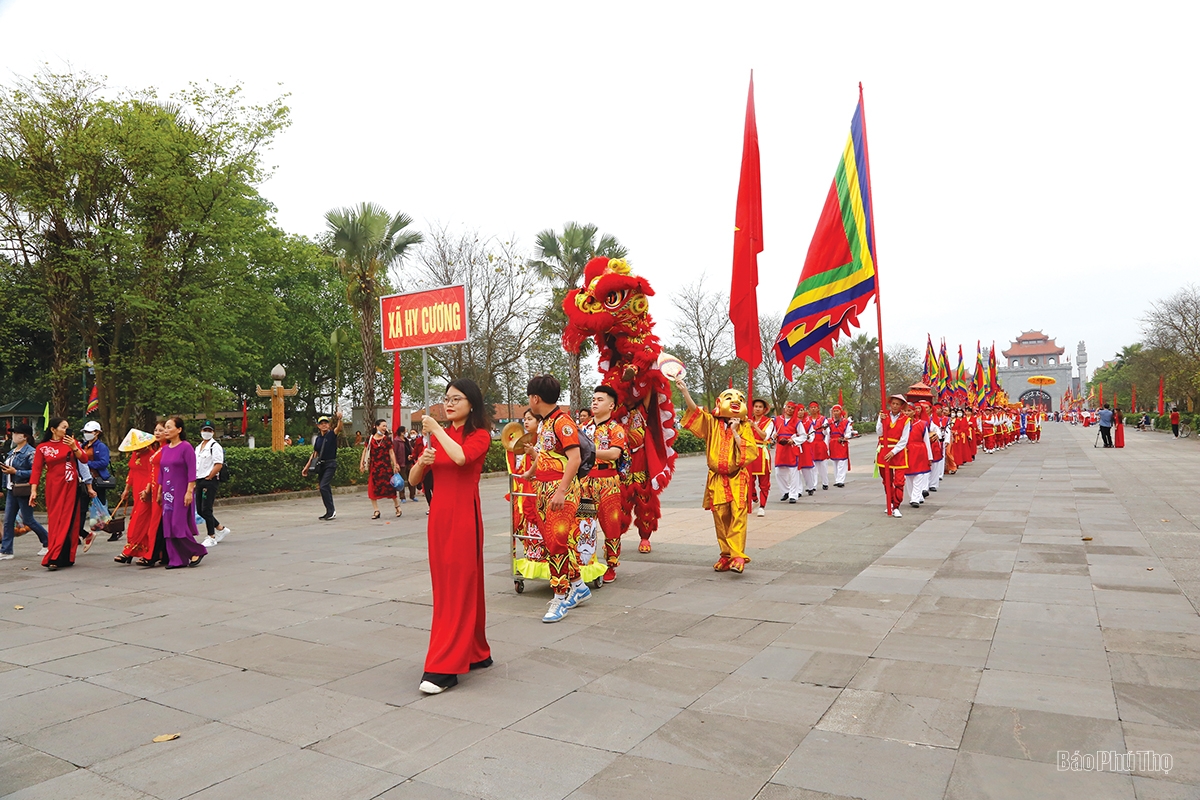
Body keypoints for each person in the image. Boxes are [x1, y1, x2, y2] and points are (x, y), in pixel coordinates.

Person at [519, 374, 587, 623]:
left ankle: (560, 597)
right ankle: (578, 586)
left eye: (529, 397)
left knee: (556, 544)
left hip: (561, 491)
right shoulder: (546, 423)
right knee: (557, 542)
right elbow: (547, 454)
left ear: (535, 398)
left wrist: (561, 490)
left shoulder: (562, 422)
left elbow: (575, 459)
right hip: (546, 488)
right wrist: (531, 471)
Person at [676, 377, 757, 573]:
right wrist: (685, 392)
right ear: (720, 403)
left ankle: (738, 555)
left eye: (739, 398)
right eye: (729, 397)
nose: (735, 400)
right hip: (716, 479)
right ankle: (726, 554)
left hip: (737, 477)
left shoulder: (745, 426)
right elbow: (696, 413)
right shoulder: (712, 423)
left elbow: (750, 451)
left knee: (738, 516)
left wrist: (736, 431)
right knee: (720, 517)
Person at [29, 418, 91, 570]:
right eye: (63, 427)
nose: (66, 430)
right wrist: (33, 490)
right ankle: (57, 553)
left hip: (70, 484)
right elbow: (36, 470)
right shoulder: (43, 448)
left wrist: (74, 447)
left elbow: (84, 458)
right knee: (55, 519)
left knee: (67, 519)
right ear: (53, 429)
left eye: (67, 428)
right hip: (53, 486)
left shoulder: (72, 443)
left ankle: (57, 556)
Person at [582, 385, 628, 584]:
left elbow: (614, 454)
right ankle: (585, 561)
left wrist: (589, 452)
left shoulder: (615, 429)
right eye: (593, 399)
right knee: (584, 523)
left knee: (611, 525)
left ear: (611, 405)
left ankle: (611, 564)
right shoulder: (583, 428)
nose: (594, 402)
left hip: (608, 481)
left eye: (600, 399)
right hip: (584, 482)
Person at [156, 417, 207, 569]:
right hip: (167, 493)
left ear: (179, 430)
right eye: (165, 427)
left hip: (181, 491)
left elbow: (192, 471)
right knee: (168, 526)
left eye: (169, 427)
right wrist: (159, 492)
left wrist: (189, 492)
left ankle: (197, 550)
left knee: (178, 524)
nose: (166, 430)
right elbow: (162, 473)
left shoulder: (186, 447)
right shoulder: (164, 449)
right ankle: (176, 559)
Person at [113, 427, 161, 564]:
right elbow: (132, 472)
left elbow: (153, 474)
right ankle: (137, 551)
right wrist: (126, 489)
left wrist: (147, 491)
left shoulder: (151, 455)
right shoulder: (135, 454)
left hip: (146, 492)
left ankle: (128, 552)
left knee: (138, 522)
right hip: (136, 491)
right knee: (138, 520)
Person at [1, 424, 49, 561]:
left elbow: (36, 471)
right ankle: (6, 550)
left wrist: (16, 472)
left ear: (25, 436)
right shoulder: (13, 451)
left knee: (28, 520)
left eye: (17, 433)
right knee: (8, 521)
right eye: (13, 433)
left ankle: (48, 542)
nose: (14, 436)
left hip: (23, 489)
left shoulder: (31, 452)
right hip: (12, 489)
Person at [195, 422, 231, 548]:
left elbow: (218, 464)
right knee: (199, 510)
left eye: (209, 430)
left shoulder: (215, 446)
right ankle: (220, 528)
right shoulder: (198, 447)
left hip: (209, 480)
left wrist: (209, 477)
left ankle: (211, 536)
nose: (206, 432)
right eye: (205, 429)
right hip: (199, 479)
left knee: (206, 509)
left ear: (213, 432)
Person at [303, 413, 343, 520]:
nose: (324, 425)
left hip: (330, 463)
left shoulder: (331, 434)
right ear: (318, 426)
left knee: (324, 486)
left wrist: (339, 419)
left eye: (326, 423)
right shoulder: (318, 439)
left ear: (329, 425)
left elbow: (338, 428)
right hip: (321, 464)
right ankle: (329, 511)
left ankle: (332, 511)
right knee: (324, 488)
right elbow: (315, 453)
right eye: (322, 423)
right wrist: (307, 467)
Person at [876, 395, 911, 518]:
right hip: (884, 451)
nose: (895, 406)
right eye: (893, 403)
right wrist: (881, 420)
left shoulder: (906, 420)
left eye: (898, 404)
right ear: (890, 404)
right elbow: (879, 432)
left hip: (898, 452)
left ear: (901, 406)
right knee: (887, 480)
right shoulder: (883, 415)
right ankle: (890, 503)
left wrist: (894, 452)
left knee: (899, 481)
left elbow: (904, 439)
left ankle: (896, 505)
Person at [360, 418, 402, 519]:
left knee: (391, 488)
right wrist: (362, 463)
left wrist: (395, 464)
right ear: (376, 426)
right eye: (383, 426)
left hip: (386, 467)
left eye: (385, 426)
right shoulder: (370, 439)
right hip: (374, 468)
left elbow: (391, 452)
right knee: (372, 489)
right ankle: (376, 510)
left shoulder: (387, 439)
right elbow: (365, 451)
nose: (385, 428)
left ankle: (397, 507)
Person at [903, 402, 933, 508]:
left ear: (914, 411)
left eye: (909, 410)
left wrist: (930, 456)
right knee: (908, 476)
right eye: (905, 410)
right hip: (906, 452)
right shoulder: (900, 424)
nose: (907, 413)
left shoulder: (922, 424)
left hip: (919, 451)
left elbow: (926, 441)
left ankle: (915, 498)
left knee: (919, 475)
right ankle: (915, 496)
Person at [747, 399, 774, 516]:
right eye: (756, 406)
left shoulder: (769, 422)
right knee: (749, 480)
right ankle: (755, 499)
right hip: (749, 453)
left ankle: (762, 506)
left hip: (762, 452)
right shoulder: (747, 420)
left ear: (764, 410)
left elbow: (764, 436)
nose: (757, 408)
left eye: (760, 407)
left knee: (764, 482)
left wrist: (755, 426)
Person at [80, 420, 113, 509]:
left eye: (89, 432)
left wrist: (86, 463)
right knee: (82, 508)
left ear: (97, 433)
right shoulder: (82, 446)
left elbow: (104, 463)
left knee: (100, 507)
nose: (86, 434)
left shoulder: (101, 446)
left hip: (97, 480)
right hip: (84, 481)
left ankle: (107, 522)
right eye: (85, 432)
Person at [773, 402, 802, 503]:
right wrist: (774, 436)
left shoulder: (797, 422)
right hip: (781, 448)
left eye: (792, 408)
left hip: (791, 448)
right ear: (785, 408)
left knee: (793, 472)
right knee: (778, 472)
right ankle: (785, 491)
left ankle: (793, 494)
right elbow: (772, 432)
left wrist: (794, 441)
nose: (790, 409)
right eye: (788, 407)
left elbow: (803, 435)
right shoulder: (777, 420)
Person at [827, 405, 852, 487]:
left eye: (837, 411)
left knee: (842, 461)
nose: (836, 413)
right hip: (833, 443)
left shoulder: (845, 422)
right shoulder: (829, 422)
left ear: (841, 412)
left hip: (841, 443)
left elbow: (848, 432)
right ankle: (837, 479)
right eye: (834, 411)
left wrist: (846, 437)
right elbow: (827, 434)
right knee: (835, 462)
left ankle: (840, 480)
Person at [808, 402, 830, 491]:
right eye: (811, 407)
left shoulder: (823, 419)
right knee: (812, 466)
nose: (813, 409)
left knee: (823, 465)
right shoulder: (807, 420)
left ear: (818, 409)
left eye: (815, 407)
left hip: (820, 443)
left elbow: (826, 432)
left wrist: (824, 429)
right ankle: (813, 485)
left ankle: (825, 482)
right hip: (811, 444)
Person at [392, 426, 411, 503]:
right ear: (401, 432)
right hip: (401, 463)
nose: (406, 433)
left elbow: (410, 449)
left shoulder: (406, 440)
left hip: (409, 462)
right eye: (405, 431)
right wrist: (396, 463)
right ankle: (402, 496)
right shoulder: (396, 441)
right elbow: (394, 453)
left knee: (411, 479)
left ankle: (412, 495)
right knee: (401, 481)